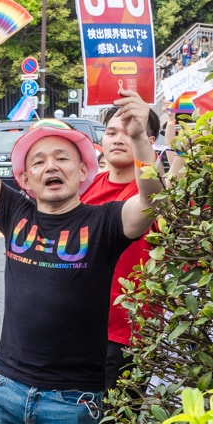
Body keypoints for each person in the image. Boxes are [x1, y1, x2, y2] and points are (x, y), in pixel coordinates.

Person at [0, 53, 160, 424]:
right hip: (5, 390)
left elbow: (153, 202)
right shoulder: (14, 211)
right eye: (39, 160)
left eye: (63, 158)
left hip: (72, 403)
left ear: (85, 170)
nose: (51, 165)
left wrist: (142, 142)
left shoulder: (104, 222)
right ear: (25, 179)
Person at [80, 105, 162, 385]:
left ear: (147, 142)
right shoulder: (89, 186)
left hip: (127, 333)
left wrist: (138, 140)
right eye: (111, 132)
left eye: (128, 133)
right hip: (79, 328)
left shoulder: (154, 193)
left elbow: (153, 199)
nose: (117, 139)